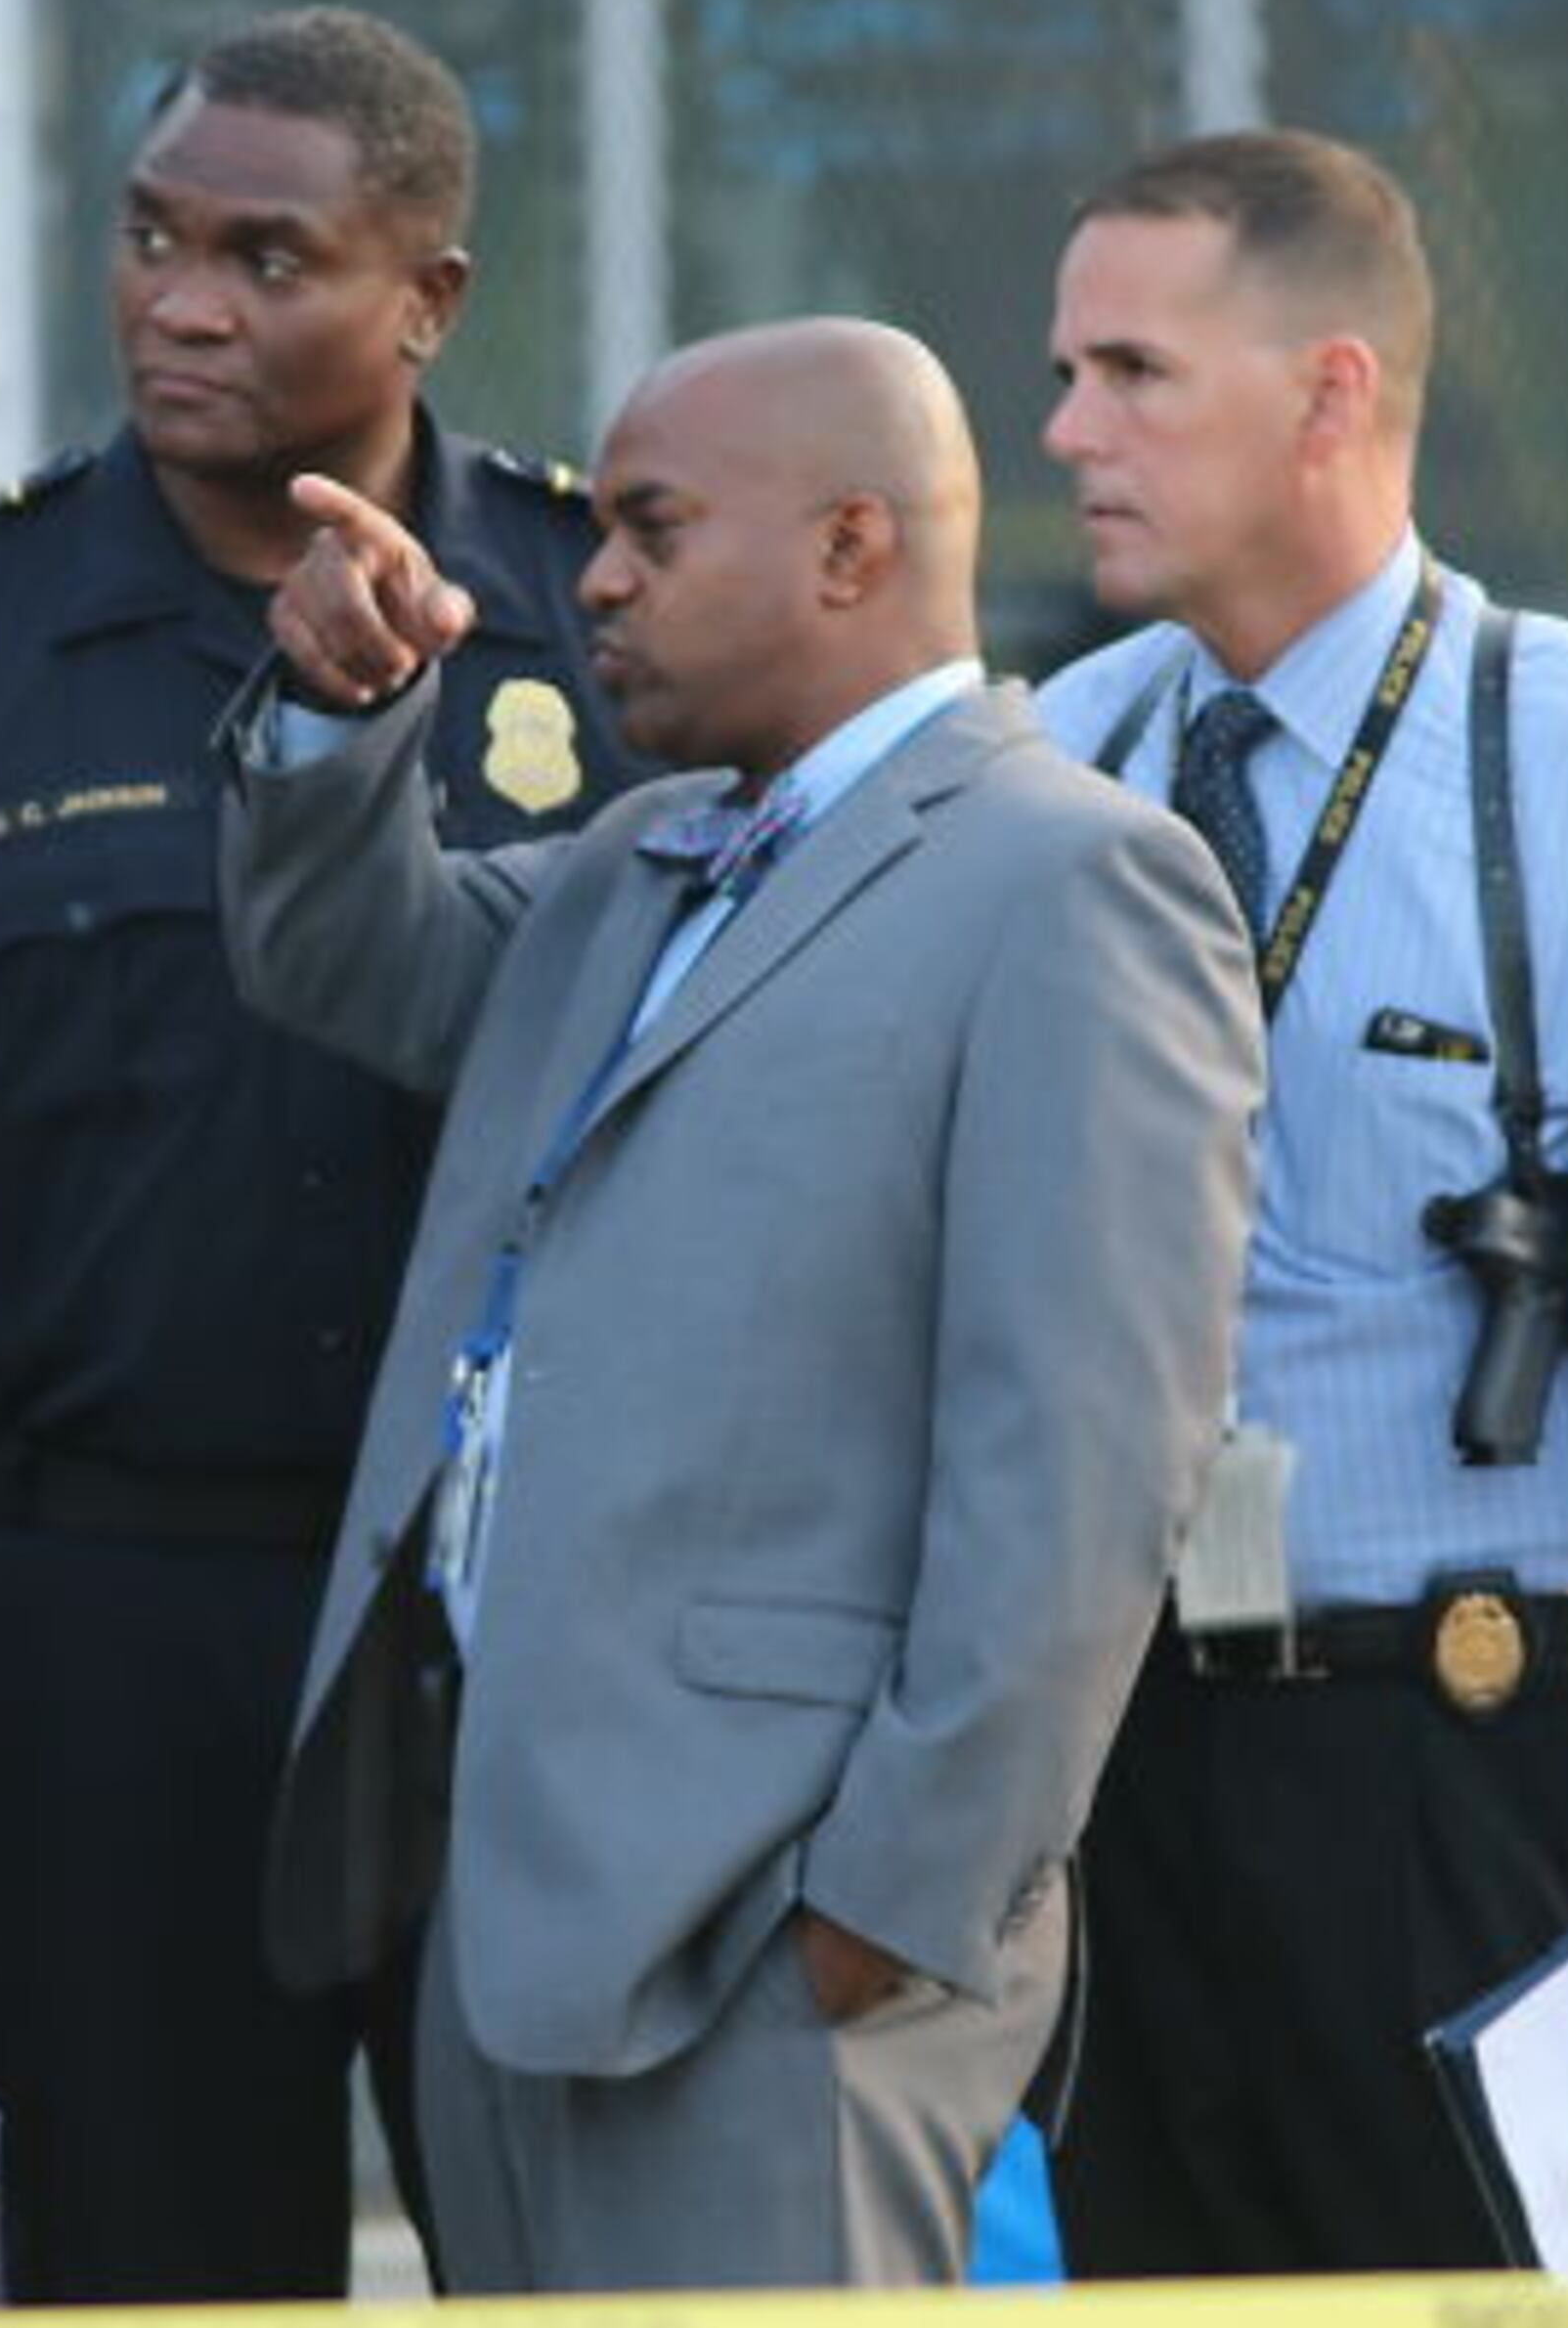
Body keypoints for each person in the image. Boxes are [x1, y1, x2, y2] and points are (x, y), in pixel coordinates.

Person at [0, 4, 638, 2302]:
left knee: (571, 2252)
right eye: (149, 240)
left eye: (267, 256)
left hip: (515, 1621)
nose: (184, 302)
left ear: (428, 299)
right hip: (101, 1625)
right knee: (139, 2273)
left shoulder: (598, 620)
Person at [224, 317, 1263, 2292]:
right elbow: (349, 959)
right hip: (517, 1905)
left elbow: (1090, 1464)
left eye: (651, 530)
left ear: (854, 547)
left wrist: (893, 1904)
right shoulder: (645, 862)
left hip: (783, 1948)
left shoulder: (1074, 884)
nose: (592, 582)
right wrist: (332, 717)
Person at [1029, 128, 1568, 2274]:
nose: (1065, 432)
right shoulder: (1063, 760)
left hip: (1480, 1778)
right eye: (1066, 370)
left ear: (1327, 395)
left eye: (1132, 371)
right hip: (1130, 1781)